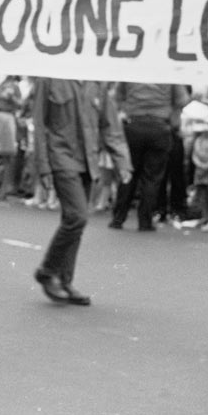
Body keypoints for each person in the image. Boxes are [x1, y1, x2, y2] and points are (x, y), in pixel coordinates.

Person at [32, 78, 132, 306]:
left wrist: (122, 162)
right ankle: (48, 270)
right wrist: (43, 165)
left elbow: (110, 126)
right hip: (60, 156)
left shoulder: (97, 81)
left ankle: (65, 281)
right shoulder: (49, 78)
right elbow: (39, 124)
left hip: (88, 159)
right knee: (77, 216)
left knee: (75, 222)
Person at [109, 82, 188, 231]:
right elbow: (182, 100)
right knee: (152, 178)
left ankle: (118, 217)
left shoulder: (133, 70)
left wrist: (125, 109)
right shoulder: (169, 73)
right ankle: (145, 220)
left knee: (128, 172)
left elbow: (115, 96)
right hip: (159, 127)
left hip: (133, 125)